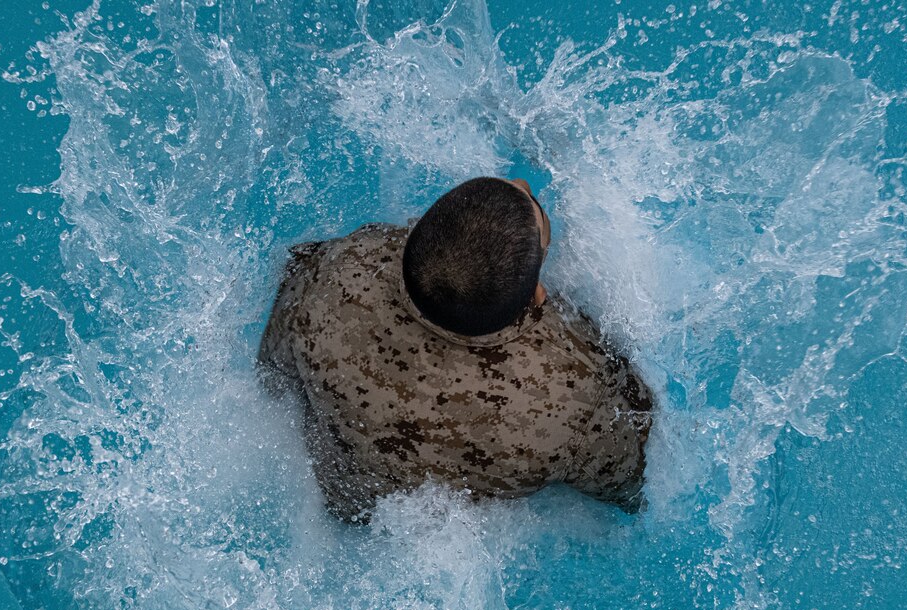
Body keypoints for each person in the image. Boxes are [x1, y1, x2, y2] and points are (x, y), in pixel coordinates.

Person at [258, 177, 653, 522]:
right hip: (436, 533)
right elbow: (630, 487)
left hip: (342, 501)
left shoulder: (341, 269)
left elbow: (272, 374)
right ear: (537, 295)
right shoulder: (572, 399)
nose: (520, 182)